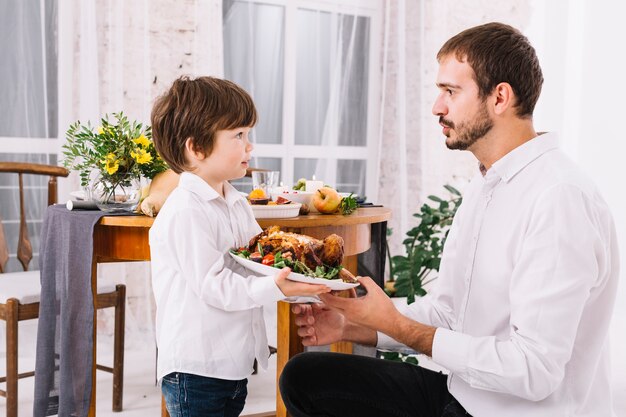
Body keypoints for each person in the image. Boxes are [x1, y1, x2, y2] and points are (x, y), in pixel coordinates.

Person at [279, 22, 619, 417]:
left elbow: (534, 370)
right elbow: (448, 314)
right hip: (464, 394)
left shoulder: (559, 198)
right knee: (305, 376)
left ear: (500, 97)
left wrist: (397, 324)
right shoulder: (485, 185)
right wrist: (357, 325)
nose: (436, 107)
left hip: (514, 411)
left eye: (450, 92)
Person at [149, 76, 330, 417]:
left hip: (231, 363)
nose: (250, 146)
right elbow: (214, 285)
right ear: (196, 148)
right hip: (196, 367)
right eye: (239, 136)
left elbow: (259, 262)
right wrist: (276, 286)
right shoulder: (186, 210)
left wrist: (305, 288)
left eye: (248, 134)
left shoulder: (236, 202)